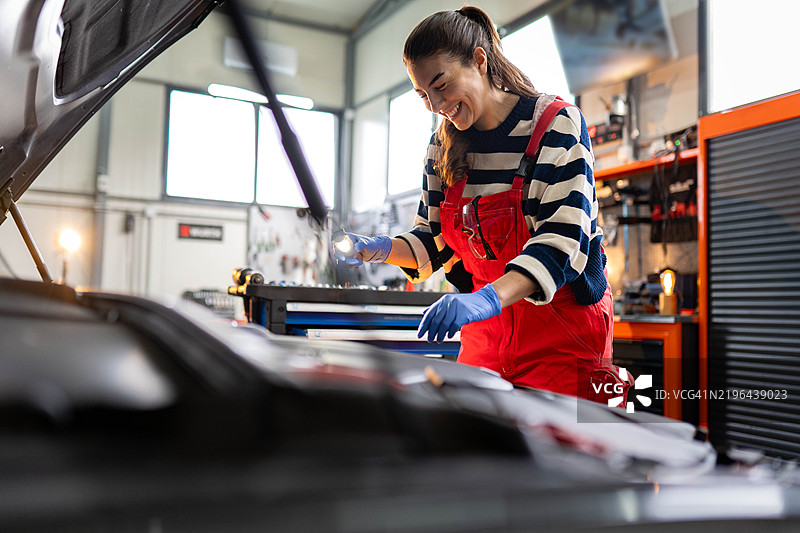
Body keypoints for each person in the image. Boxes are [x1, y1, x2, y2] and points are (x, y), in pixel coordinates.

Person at [335, 6, 629, 403]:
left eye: (441, 84)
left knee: (570, 457)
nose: (436, 104)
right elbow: (432, 239)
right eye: (423, 94)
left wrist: (485, 298)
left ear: (479, 60)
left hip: (565, 340)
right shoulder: (444, 145)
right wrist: (380, 249)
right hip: (487, 339)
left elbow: (562, 242)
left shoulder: (556, 125)